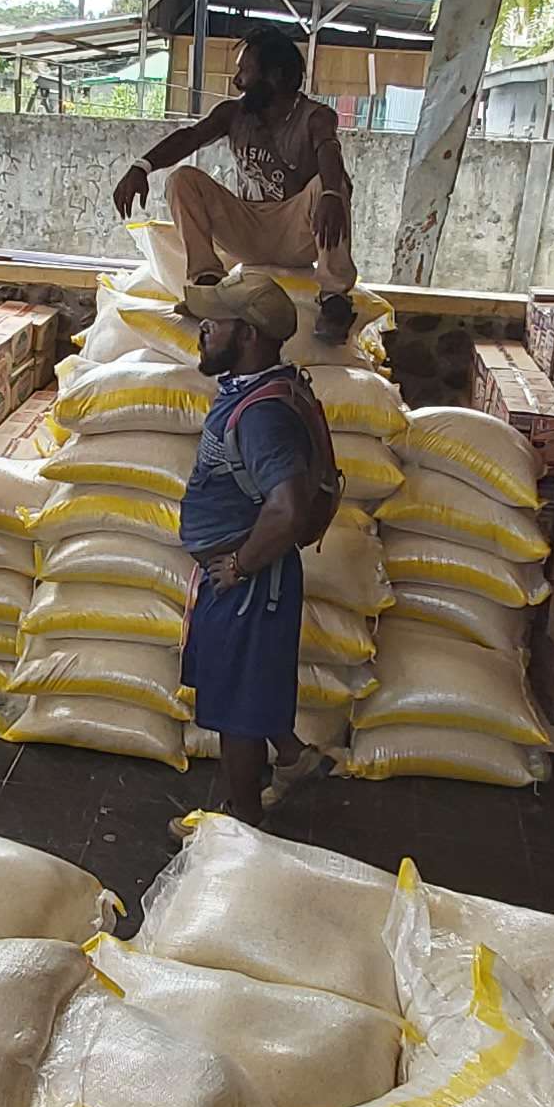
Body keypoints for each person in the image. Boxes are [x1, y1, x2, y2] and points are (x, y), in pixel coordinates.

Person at [176, 272, 339, 826]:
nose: (203, 329)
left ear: (246, 334)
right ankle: (291, 757)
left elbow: (286, 509)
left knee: (236, 713)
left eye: (214, 322)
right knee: (245, 686)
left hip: (249, 581)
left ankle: (238, 826)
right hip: (246, 576)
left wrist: (240, 565)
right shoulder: (259, 389)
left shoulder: (263, 414)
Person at [114, 33, 357, 344]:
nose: (237, 81)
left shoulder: (315, 117)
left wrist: (332, 194)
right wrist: (142, 166)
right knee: (182, 179)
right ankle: (208, 285)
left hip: (297, 232)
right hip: (248, 229)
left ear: (274, 76)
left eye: (245, 71)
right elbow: (191, 137)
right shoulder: (233, 113)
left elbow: (329, 149)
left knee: (332, 182)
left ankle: (335, 299)